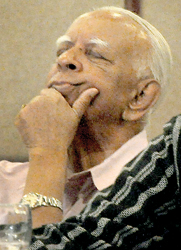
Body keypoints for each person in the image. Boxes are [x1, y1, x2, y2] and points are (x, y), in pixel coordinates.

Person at [1, 6, 178, 248]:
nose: (64, 60)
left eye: (95, 54)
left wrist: (48, 152)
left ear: (140, 97)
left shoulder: (161, 198)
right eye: (62, 50)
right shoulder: (4, 180)